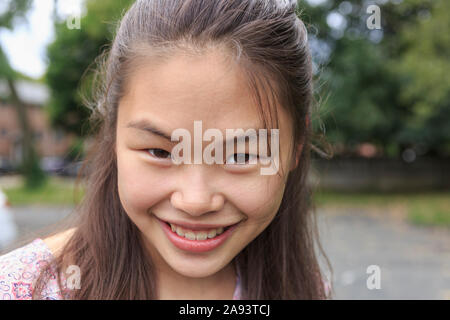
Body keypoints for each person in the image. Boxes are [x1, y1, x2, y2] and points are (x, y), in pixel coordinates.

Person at [0, 0, 331, 300]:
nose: (196, 201)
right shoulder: (24, 290)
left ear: (294, 149)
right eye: (160, 152)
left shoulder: (306, 289)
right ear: (112, 137)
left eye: (241, 156)